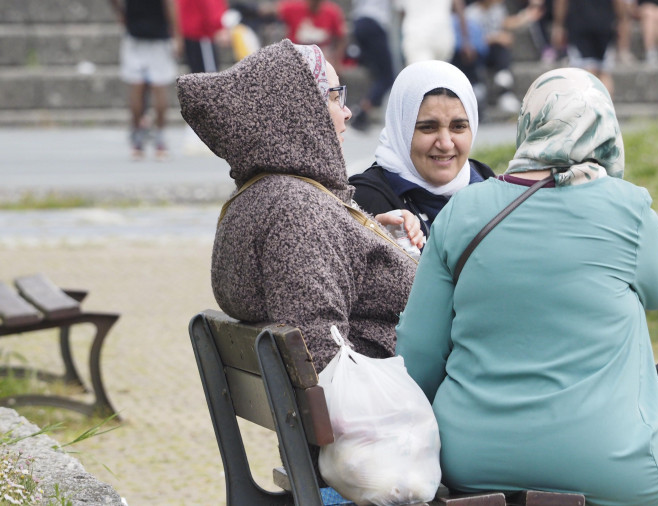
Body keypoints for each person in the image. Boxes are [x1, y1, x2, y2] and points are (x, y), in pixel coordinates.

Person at [395, 68, 658, 505]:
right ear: (605, 130)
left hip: (474, 457)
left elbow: (419, 354)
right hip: (609, 462)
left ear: (528, 125)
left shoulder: (463, 209)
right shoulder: (624, 205)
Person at [177, 40, 422, 372]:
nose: (347, 111)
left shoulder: (268, 198)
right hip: (399, 400)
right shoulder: (298, 214)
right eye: (335, 97)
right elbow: (323, 356)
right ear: (299, 110)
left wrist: (367, 237)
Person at [349, 60, 496, 239]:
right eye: (428, 127)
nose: (446, 143)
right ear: (401, 130)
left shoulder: (486, 184)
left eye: (458, 127)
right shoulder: (366, 201)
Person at [108, 0, 183, 160]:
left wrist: (121, 13)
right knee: (159, 87)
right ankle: (160, 139)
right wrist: (177, 35)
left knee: (136, 87)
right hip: (159, 37)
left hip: (135, 34)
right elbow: (170, 4)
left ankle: (137, 139)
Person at [451, 0, 543, 114]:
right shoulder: (472, 13)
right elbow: (474, 40)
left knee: (501, 50)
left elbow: (506, 23)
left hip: (494, 52)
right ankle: (488, 89)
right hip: (478, 52)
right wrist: (496, 38)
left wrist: (526, 16)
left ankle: (504, 89)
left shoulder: (497, 9)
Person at [551, 0, 623, 96]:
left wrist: (558, 25)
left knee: (586, 73)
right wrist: (621, 21)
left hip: (580, 24)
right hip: (605, 25)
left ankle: (590, 108)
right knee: (605, 72)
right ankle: (607, 108)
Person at [348, 0, 396, 132]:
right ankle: (361, 111)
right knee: (387, 77)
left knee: (375, 73)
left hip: (359, 23)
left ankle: (362, 109)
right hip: (375, 23)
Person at [176, 0, 230, 74]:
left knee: (198, 74)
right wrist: (218, 27)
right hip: (202, 34)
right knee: (209, 76)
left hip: (192, 31)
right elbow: (209, 5)